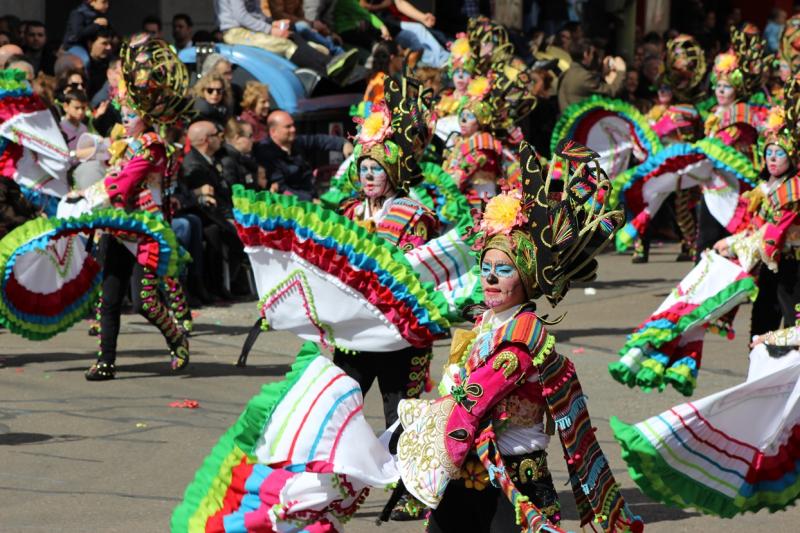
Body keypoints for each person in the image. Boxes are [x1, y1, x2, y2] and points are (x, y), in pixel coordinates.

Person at [73, 34, 194, 380]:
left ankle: (176, 338)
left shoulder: (152, 147)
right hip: (117, 227)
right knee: (108, 298)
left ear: (145, 116)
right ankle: (106, 362)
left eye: (131, 114)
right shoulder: (122, 143)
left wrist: (88, 198)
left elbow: (123, 184)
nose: (124, 118)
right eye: (124, 113)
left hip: (144, 233)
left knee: (145, 303)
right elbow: (93, 151)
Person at [214, 0, 355, 81]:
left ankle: (331, 64)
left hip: (253, 28)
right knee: (285, 44)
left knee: (291, 34)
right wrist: (270, 29)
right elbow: (241, 17)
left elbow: (257, 14)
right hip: (235, 32)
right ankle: (327, 68)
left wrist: (273, 24)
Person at [182, 121, 246, 300]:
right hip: (206, 217)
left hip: (220, 213)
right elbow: (208, 202)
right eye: (217, 135)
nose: (221, 138)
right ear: (205, 140)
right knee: (217, 232)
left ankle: (232, 283)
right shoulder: (194, 165)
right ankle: (216, 286)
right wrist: (230, 219)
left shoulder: (212, 159)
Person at [253, 110, 353, 200]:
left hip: (313, 192)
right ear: (273, 131)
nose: (293, 129)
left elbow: (317, 140)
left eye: (293, 125)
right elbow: (281, 188)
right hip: (294, 206)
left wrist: (343, 144)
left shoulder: (295, 142)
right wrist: (310, 201)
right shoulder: (265, 153)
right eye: (288, 127)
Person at [557, 37, 626, 111]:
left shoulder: (566, 74)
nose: (596, 58)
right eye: (594, 53)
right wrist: (621, 71)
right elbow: (612, 92)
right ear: (586, 54)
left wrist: (603, 73)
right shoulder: (584, 77)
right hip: (581, 121)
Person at [266, 0, 347, 57]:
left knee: (306, 27)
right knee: (303, 26)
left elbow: (301, 14)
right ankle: (336, 50)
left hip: (293, 23)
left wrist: (328, 32)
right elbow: (278, 14)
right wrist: (310, 24)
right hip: (278, 24)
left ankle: (332, 47)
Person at [219, 117, 259, 189]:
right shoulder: (227, 161)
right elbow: (235, 191)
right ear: (237, 138)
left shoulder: (241, 158)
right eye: (249, 136)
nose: (253, 140)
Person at [83, 26, 114, 100]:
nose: (109, 47)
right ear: (90, 44)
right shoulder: (82, 65)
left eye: (110, 43)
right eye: (104, 43)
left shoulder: (110, 62)